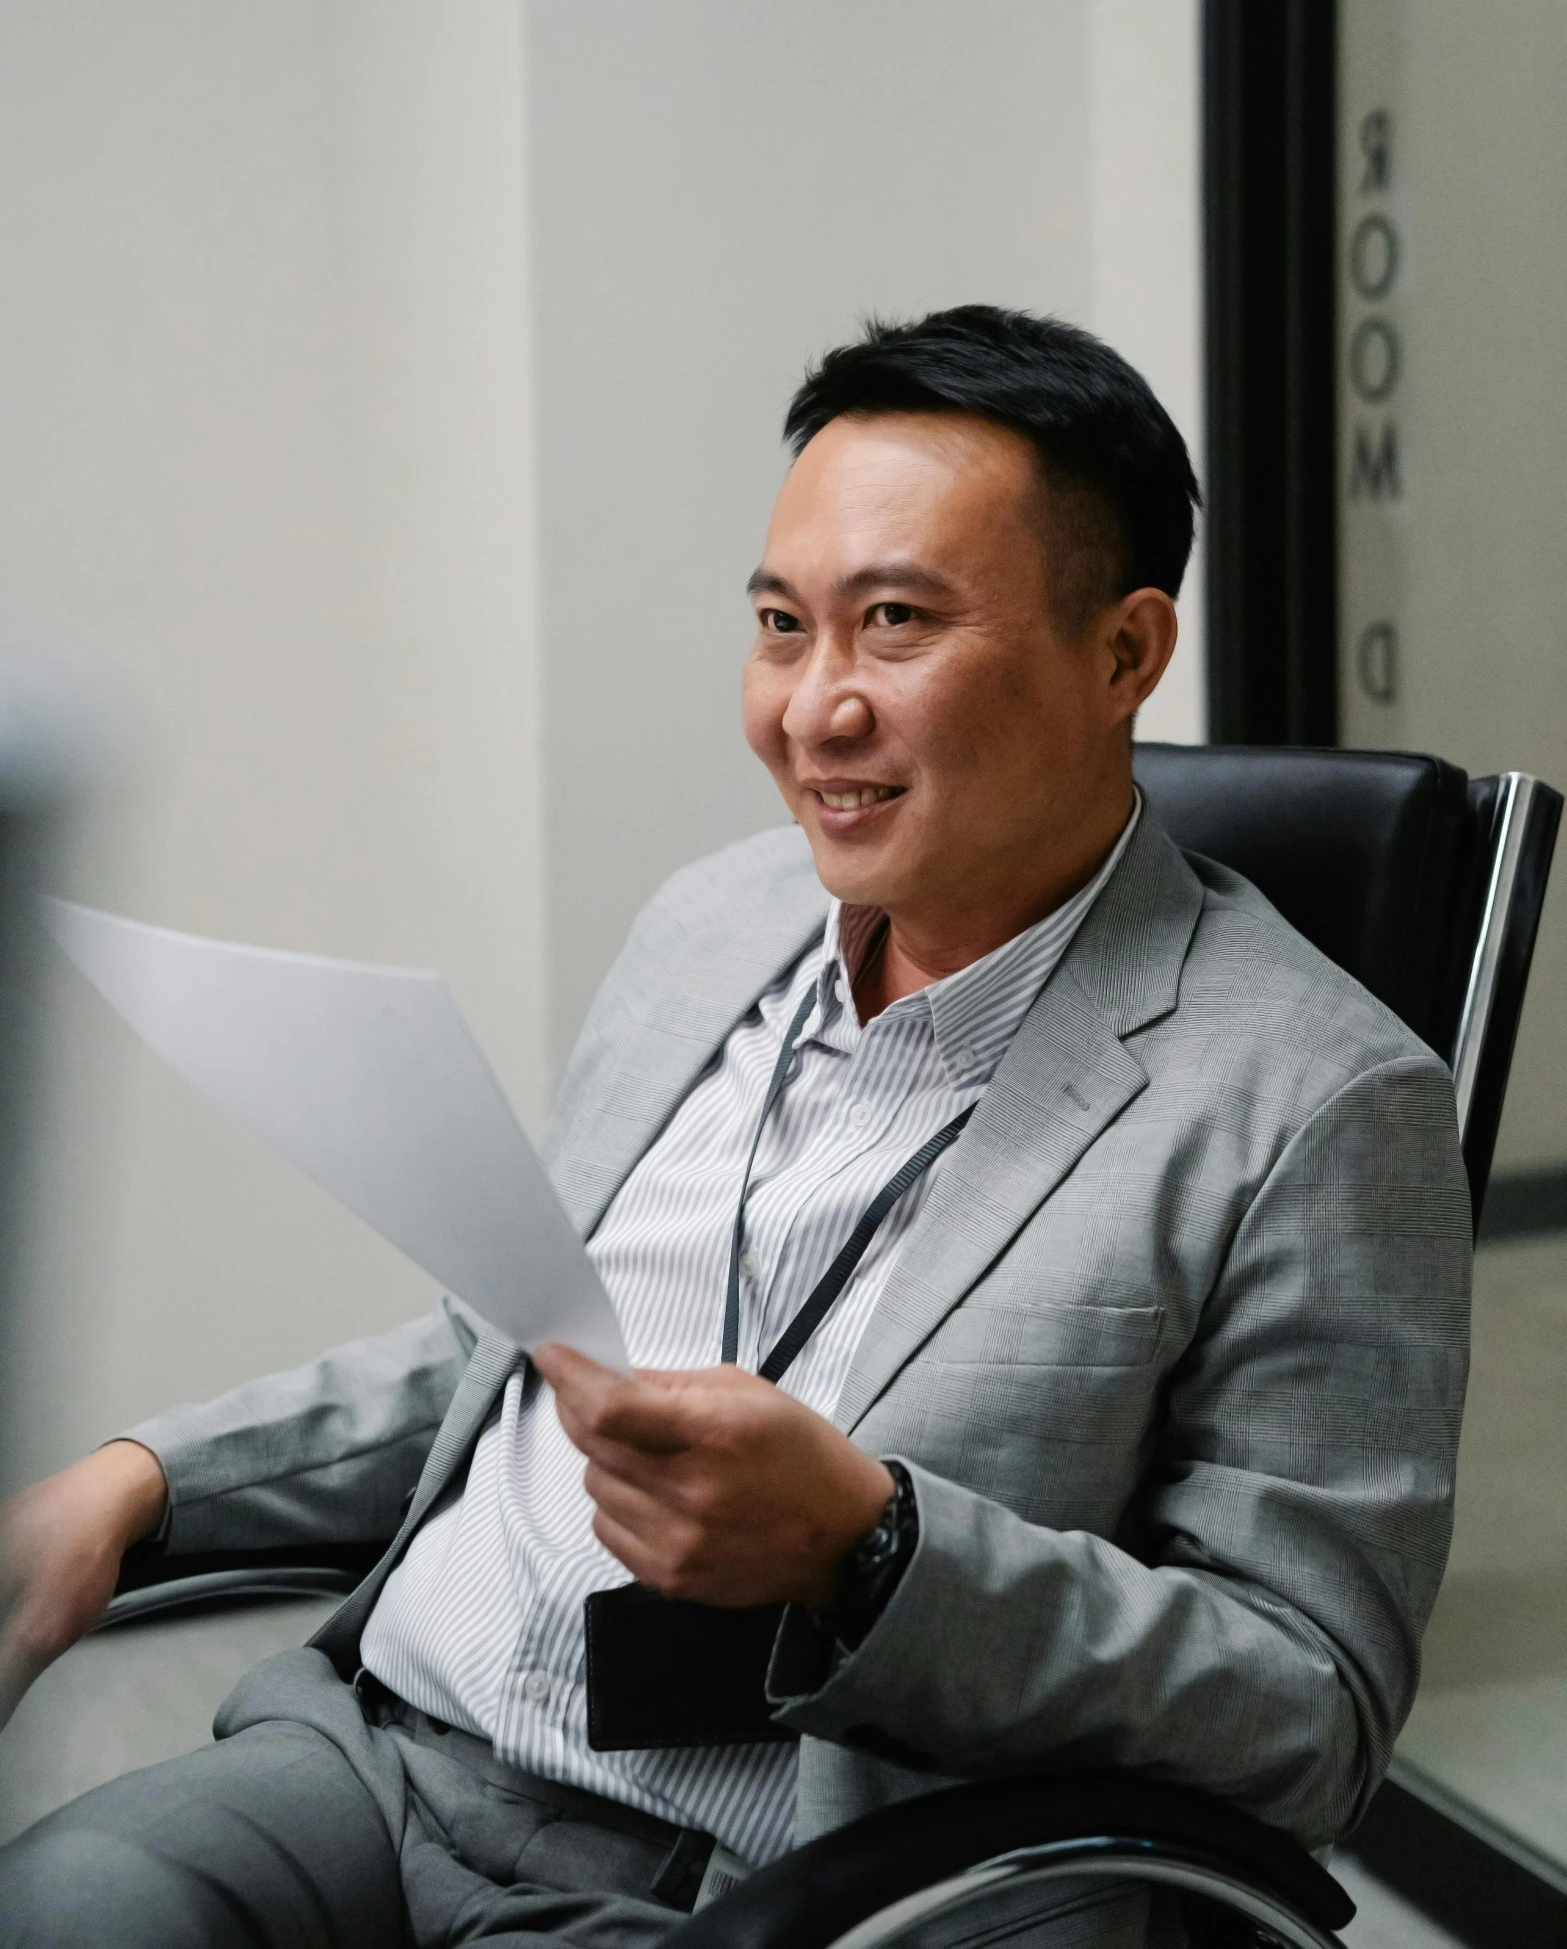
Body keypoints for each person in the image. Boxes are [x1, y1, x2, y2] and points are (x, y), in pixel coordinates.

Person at [0, 306, 1471, 1947]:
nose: (813, 710)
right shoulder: (716, 920)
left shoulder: (1319, 1100)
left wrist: (869, 1550)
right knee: (62, 1908)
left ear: (1123, 651)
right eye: (782, 626)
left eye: (894, 623)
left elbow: (1308, 1715)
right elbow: (502, 1354)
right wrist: (138, 1479)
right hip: (376, 1754)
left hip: (753, 1887)